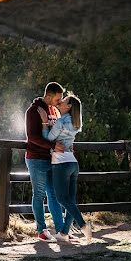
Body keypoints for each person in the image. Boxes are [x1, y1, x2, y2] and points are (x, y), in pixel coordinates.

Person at [44, 94, 92, 244]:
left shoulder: (61, 121)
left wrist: (45, 123)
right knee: (70, 200)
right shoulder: (76, 123)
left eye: (64, 100)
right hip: (73, 163)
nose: (61, 101)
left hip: (61, 163)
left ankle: (83, 225)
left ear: (69, 106)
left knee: (61, 198)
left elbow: (49, 138)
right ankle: (64, 233)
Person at [25, 82, 67, 241]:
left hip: (52, 159)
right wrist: (52, 145)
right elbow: (32, 137)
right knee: (39, 194)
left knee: (54, 195)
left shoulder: (54, 111)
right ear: (49, 96)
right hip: (36, 159)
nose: (59, 102)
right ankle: (41, 229)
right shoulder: (33, 111)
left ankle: (61, 230)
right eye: (58, 99)